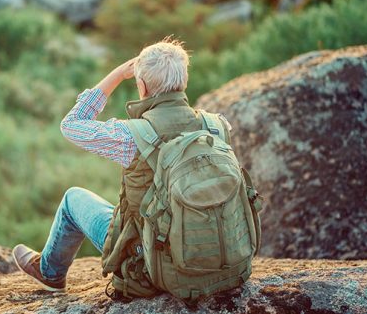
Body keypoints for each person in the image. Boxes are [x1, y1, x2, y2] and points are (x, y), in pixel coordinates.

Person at [12, 37, 227, 292]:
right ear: (183, 82)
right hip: (213, 257)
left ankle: (50, 272)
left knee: (73, 199)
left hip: (152, 263)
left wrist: (115, 75)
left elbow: (71, 125)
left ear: (142, 86)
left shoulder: (131, 136)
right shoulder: (216, 125)